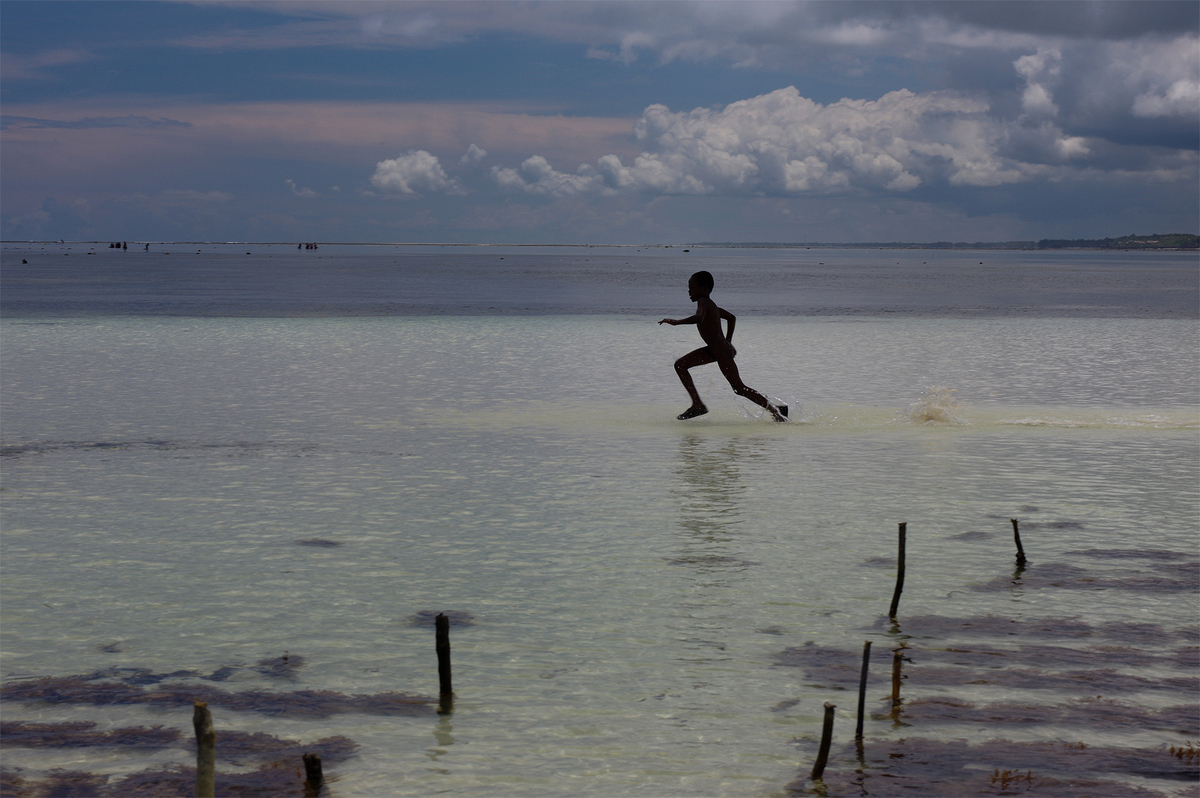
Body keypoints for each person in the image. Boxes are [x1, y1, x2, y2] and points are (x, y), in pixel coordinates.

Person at [659, 270, 787, 421]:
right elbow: (731, 318)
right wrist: (728, 342)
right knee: (680, 365)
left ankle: (776, 411)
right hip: (717, 350)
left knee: (739, 388)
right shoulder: (711, 305)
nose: (689, 291)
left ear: (704, 289)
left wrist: (676, 322)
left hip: (720, 351)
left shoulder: (704, 302)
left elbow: (699, 318)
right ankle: (697, 404)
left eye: (692, 288)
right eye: (689, 288)